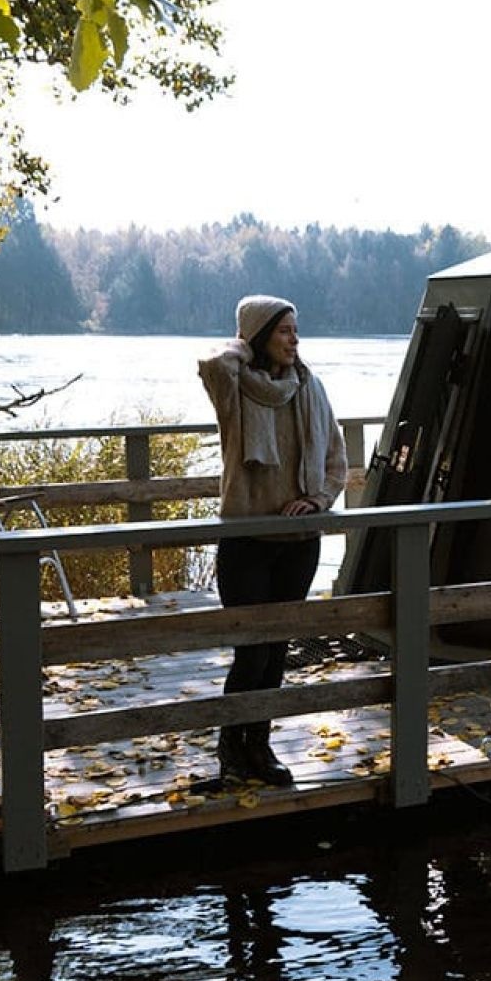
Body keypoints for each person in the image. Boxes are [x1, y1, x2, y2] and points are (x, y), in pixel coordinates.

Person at [199, 296, 347, 785]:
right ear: (260, 336)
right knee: (252, 652)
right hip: (246, 542)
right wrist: (245, 344)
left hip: (300, 541)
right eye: (284, 331)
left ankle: (259, 748)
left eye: (296, 330)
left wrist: (318, 500)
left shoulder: (310, 386)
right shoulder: (235, 388)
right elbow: (213, 364)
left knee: (277, 649)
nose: (295, 340)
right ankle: (230, 750)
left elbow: (336, 459)